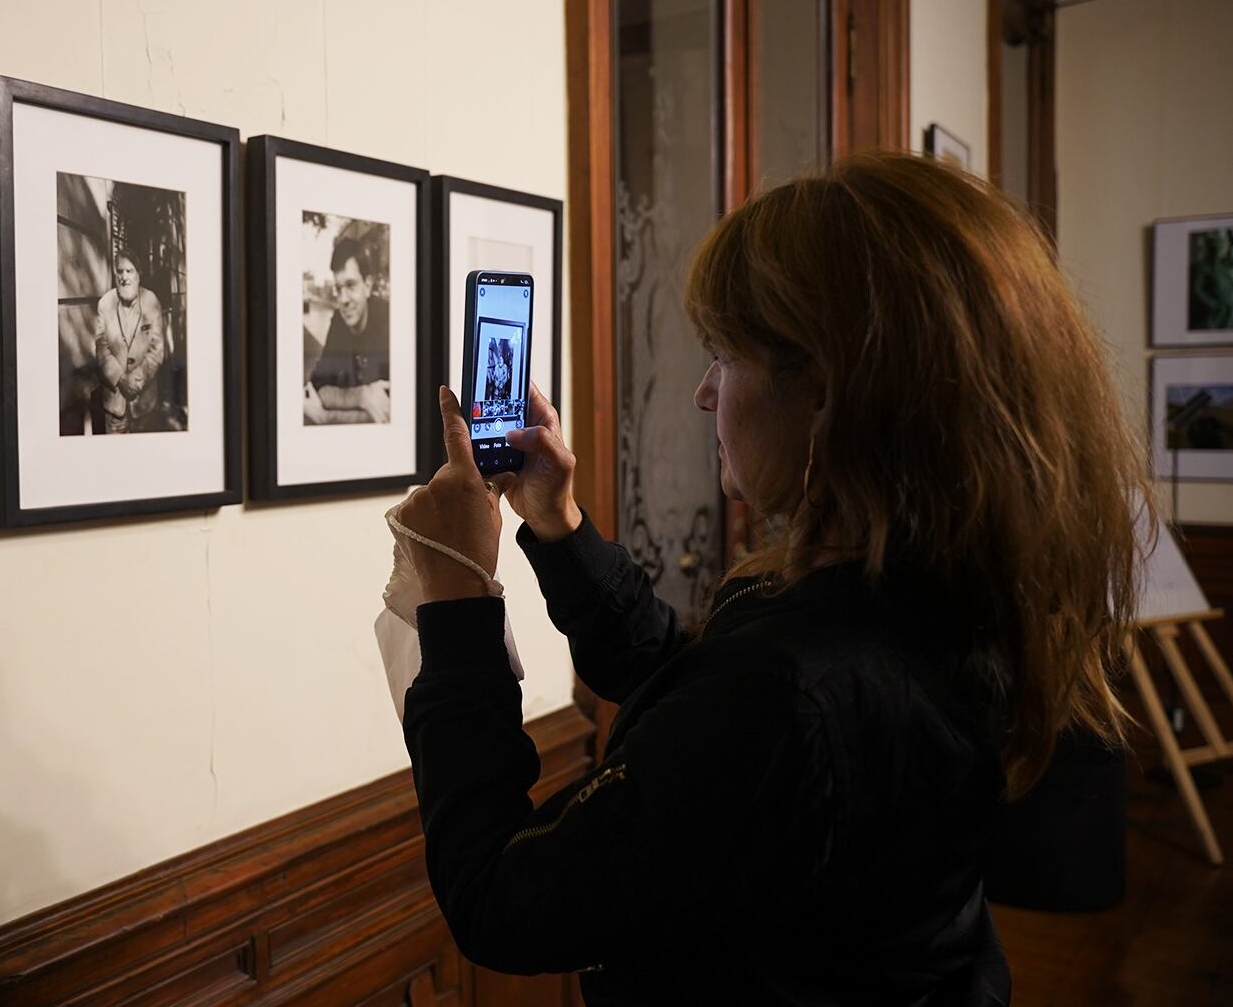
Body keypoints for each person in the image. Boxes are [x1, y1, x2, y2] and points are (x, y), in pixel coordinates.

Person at [393, 152, 1148, 1005]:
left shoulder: (795, 693)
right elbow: (677, 677)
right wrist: (558, 527)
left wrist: (456, 599)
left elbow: (501, 901)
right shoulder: (929, 590)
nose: (704, 392)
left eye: (724, 353)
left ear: (826, 392)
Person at [305, 234, 391, 424]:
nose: (342, 299)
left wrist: (326, 416)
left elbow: (385, 413)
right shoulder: (339, 321)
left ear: (368, 285)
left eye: (351, 285)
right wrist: (361, 395)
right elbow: (318, 389)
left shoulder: (389, 321)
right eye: (338, 288)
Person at [92, 251, 167, 433]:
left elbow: (157, 350)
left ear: (138, 275)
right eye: (120, 271)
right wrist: (120, 379)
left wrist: (136, 381)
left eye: (129, 271)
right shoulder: (105, 303)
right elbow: (101, 348)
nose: (124, 277)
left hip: (144, 403)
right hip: (114, 405)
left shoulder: (152, 302)